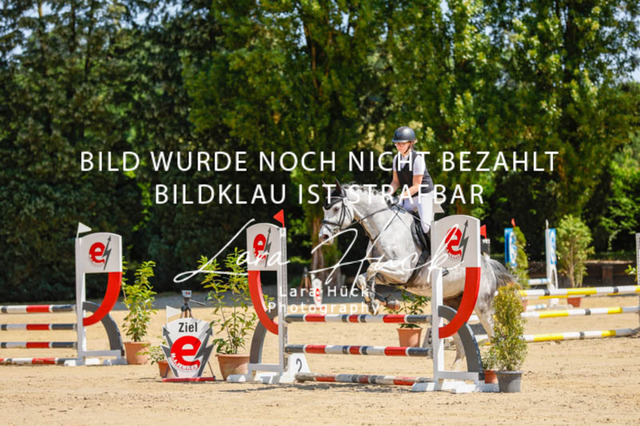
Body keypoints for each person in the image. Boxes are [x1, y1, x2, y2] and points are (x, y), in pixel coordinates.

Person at [384, 126, 434, 235]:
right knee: (395, 217)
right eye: (397, 144)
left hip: (423, 194)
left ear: (411, 143)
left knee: (426, 226)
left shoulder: (418, 159)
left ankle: (434, 245)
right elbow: (396, 182)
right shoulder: (396, 159)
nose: (398, 146)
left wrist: (400, 197)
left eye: (402, 144)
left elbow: (416, 186)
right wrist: (387, 195)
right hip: (410, 196)